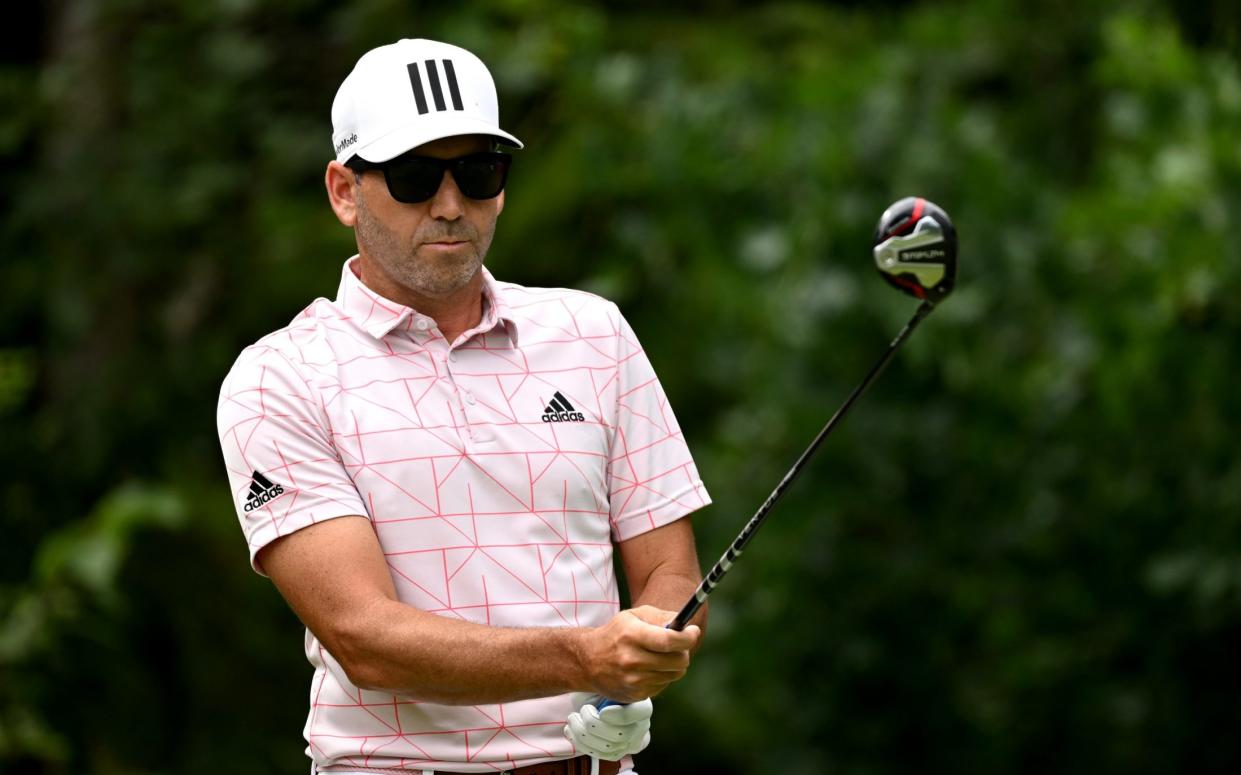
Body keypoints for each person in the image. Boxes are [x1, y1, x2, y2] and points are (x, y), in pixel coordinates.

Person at [216, 38, 711, 775]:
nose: (451, 206)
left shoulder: (593, 333)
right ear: (343, 190)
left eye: (478, 172)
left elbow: (670, 572)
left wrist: (648, 655)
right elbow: (364, 638)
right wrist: (585, 655)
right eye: (414, 177)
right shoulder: (279, 377)